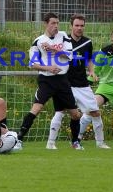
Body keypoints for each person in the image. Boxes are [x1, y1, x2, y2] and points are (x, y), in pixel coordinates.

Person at [17, 12, 84, 149]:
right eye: (53, 23)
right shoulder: (38, 41)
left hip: (62, 81)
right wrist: (48, 68)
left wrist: (54, 49)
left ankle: (75, 142)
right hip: (46, 81)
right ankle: (18, 140)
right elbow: (32, 64)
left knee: (75, 114)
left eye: (57, 23)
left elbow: (69, 56)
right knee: (36, 108)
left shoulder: (64, 36)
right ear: (46, 24)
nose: (56, 26)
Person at [46, 14, 110, 150]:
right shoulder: (63, 41)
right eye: (77, 25)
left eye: (82, 25)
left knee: (95, 112)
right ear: (71, 26)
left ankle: (100, 143)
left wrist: (92, 71)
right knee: (60, 112)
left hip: (82, 84)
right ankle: (50, 143)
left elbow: (89, 60)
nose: (79, 28)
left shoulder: (87, 42)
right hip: (65, 84)